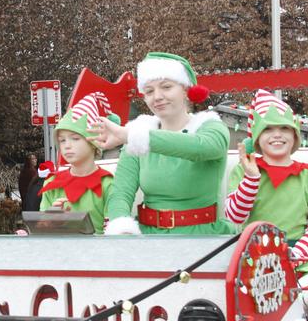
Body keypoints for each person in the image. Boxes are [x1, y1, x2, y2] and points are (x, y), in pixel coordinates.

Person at [92, 52, 234, 235]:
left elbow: (203, 147)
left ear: (185, 90)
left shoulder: (212, 128)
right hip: (149, 238)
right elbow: (121, 193)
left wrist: (133, 136)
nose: (157, 96)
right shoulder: (136, 135)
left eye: (166, 87)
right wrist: (121, 230)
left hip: (202, 238)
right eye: (149, 91)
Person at [223, 89, 308, 265]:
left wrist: (294, 256)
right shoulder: (243, 171)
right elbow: (235, 217)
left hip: (295, 257)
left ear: (294, 136)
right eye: (268, 129)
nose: (277, 134)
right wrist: (251, 178)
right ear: (256, 139)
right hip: (252, 257)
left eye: (285, 128)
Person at [39, 93, 116, 234]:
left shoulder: (108, 184)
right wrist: (50, 220)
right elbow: (42, 233)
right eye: (62, 140)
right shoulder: (51, 182)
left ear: (93, 143)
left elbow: (113, 235)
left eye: (75, 138)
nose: (67, 146)